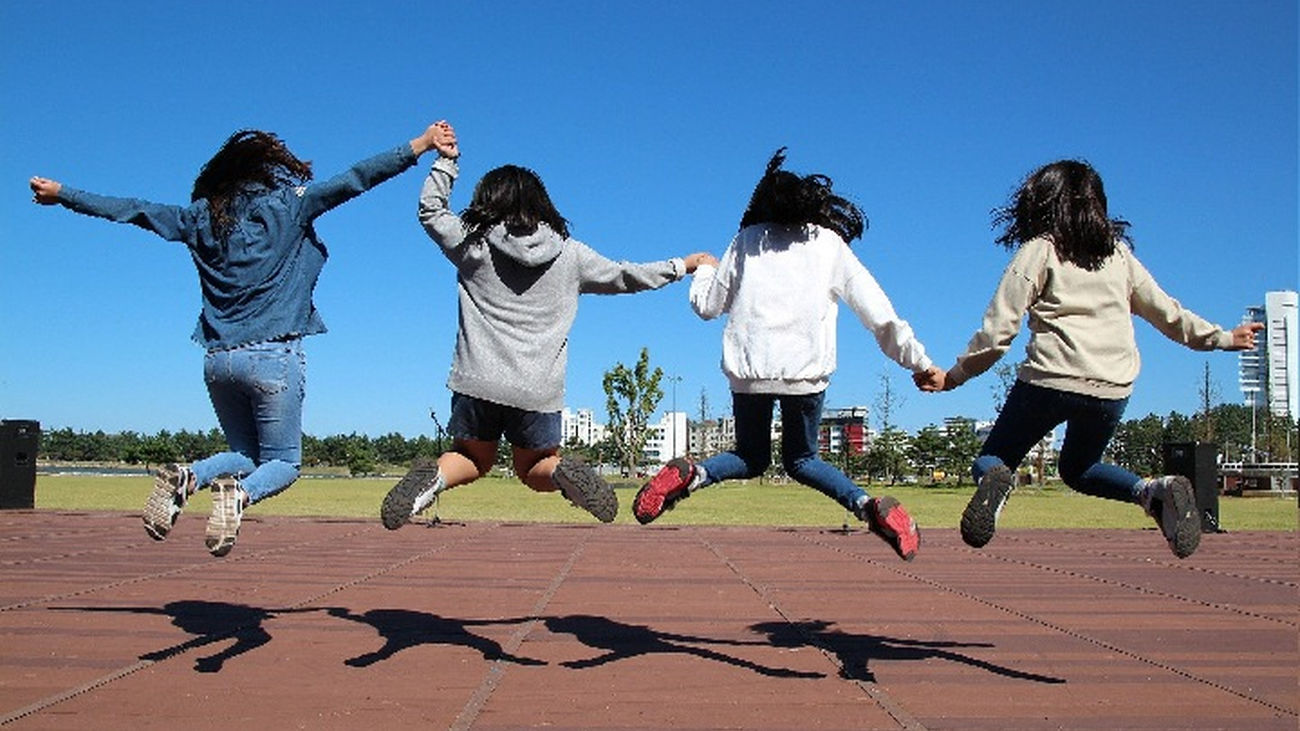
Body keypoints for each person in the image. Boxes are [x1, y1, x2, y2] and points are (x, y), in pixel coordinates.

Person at [30, 121, 452, 556]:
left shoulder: (198, 219)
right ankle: (239, 497)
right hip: (273, 356)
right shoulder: (287, 206)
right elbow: (356, 178)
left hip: (217, 361)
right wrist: (420, 145)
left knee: (246, 456)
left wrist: (63, 194)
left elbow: (133, 209)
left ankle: (190, 476)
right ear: (265, 173)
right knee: (284, 464)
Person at [915, 159, 1261, 559]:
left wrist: (954, 377)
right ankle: (1154, 492)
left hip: (1049, 380)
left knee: (994, 458)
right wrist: (1222, 337)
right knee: (1079, 469)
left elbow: (997, 334)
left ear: (1040, 203)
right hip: (1111, 388)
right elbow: (1169, 315)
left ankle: (997, 480)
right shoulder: (1119, 257)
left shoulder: (1039, 251)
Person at [380, 122, 712, 529]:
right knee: (535, 466)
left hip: (476, 381)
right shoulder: (571, 256)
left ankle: (433, 479)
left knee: (470, 458)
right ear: (541, 204)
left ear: (488, 200)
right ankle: (560, 474)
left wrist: (446, 163)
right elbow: (628, 276)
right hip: (537, 390)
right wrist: (683, 265)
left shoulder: (475, 244)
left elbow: (431, 211)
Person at [632, 148, 937, 561]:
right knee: (802, 458)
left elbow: (707, 306)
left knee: (749, 455)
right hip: (805, 377)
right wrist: (919, 362)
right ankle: (867, 506)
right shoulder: (829, 245)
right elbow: (878, 314)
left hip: (749, 373)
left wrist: (704, 266)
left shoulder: (745, 242)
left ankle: (694, 474)